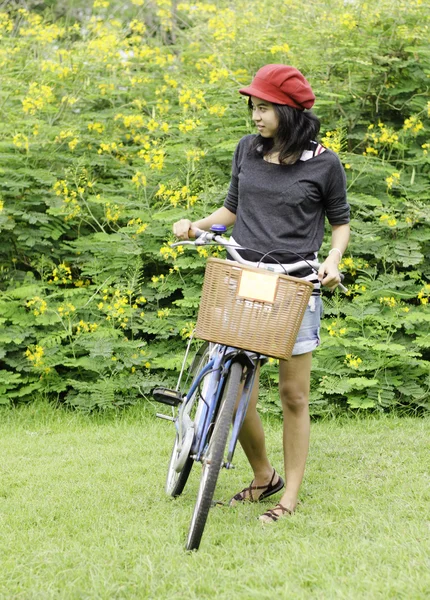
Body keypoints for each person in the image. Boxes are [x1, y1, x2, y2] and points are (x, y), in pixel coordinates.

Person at [173, 64, 350, 523]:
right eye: (253, 106)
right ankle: (262, 475)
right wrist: (197, 226)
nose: (255, 115)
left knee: (293, 395)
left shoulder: (325, 163)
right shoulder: (246, 150)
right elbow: (231, 209)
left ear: (290, 112)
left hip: (294, 284)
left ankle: (288, 497)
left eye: (265, 107)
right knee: (239, 388)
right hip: (244, 278)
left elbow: (340, 224)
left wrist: (332, 261)